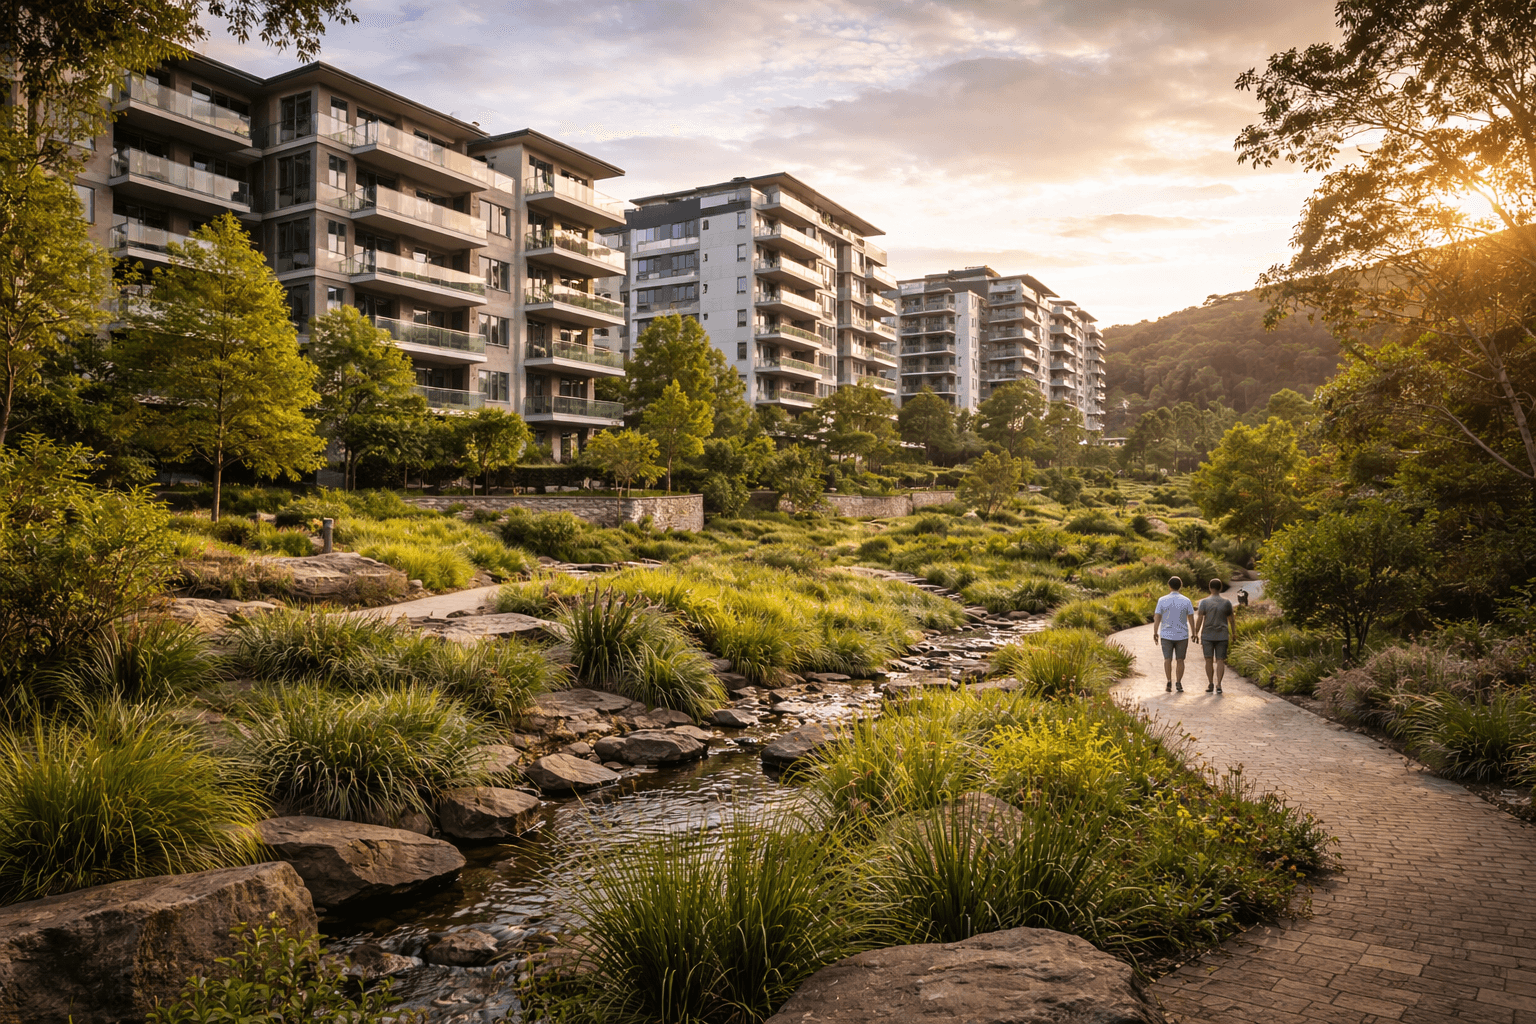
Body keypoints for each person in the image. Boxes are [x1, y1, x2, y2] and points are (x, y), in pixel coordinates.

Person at [1151, 576, 1196, 692]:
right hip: (1182, 635)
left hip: (1166, 635)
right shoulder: (1186, 600)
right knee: (1180, 660)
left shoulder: (1162, 600)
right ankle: (1179, 683)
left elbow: (1157, 617)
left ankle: (1169, 682)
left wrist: (1155, 632)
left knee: (1167, 659)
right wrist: (1194, 632)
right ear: (1180, 586)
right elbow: (1191, 618)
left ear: (1169, 586)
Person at [1193, 578, 1236, 695]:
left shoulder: (1204, 602)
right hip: (1222, 635)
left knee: (1208, 660)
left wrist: (1195, 633)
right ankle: (1219, 685)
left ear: (1210, 588)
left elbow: (1200, 618)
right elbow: (1232, 620)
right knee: (1220, 660)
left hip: (1207, 635)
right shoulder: (1227, 602)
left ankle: (1210, 683)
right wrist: (1234, 634)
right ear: (1221, 588)